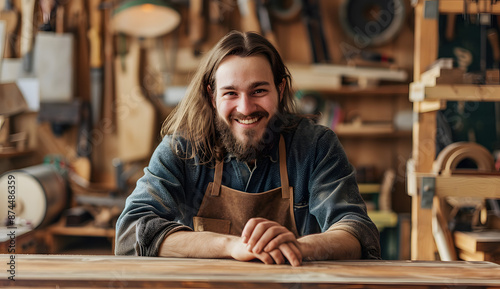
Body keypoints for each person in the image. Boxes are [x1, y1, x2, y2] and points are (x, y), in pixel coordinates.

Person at [115, 30, 381, 266]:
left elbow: (357, 232)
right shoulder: (181, 150)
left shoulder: (315, 146)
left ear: (280, 88)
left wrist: (299, 247)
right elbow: (130, 234)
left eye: (258, 91)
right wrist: (230, 246)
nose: (245, 108)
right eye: (231, 93)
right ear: (212, 96)